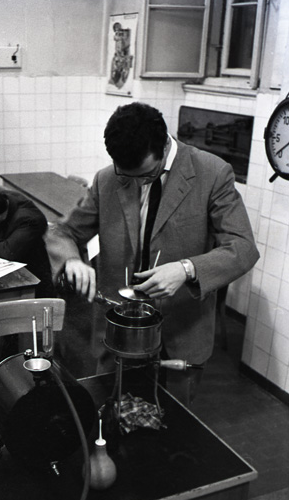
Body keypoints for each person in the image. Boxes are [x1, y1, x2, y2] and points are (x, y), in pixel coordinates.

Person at [45, 102, 260, 406]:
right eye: (125, 174)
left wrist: (186, 269)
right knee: (112, 412)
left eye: (145, 176)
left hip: (180, 330)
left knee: (172, 422)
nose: (134, 183)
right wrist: (71, 260)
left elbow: (243, 247)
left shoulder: (211, 173)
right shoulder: (107, 179)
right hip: (117, 332)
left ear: (163, 147)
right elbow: (63, 231)